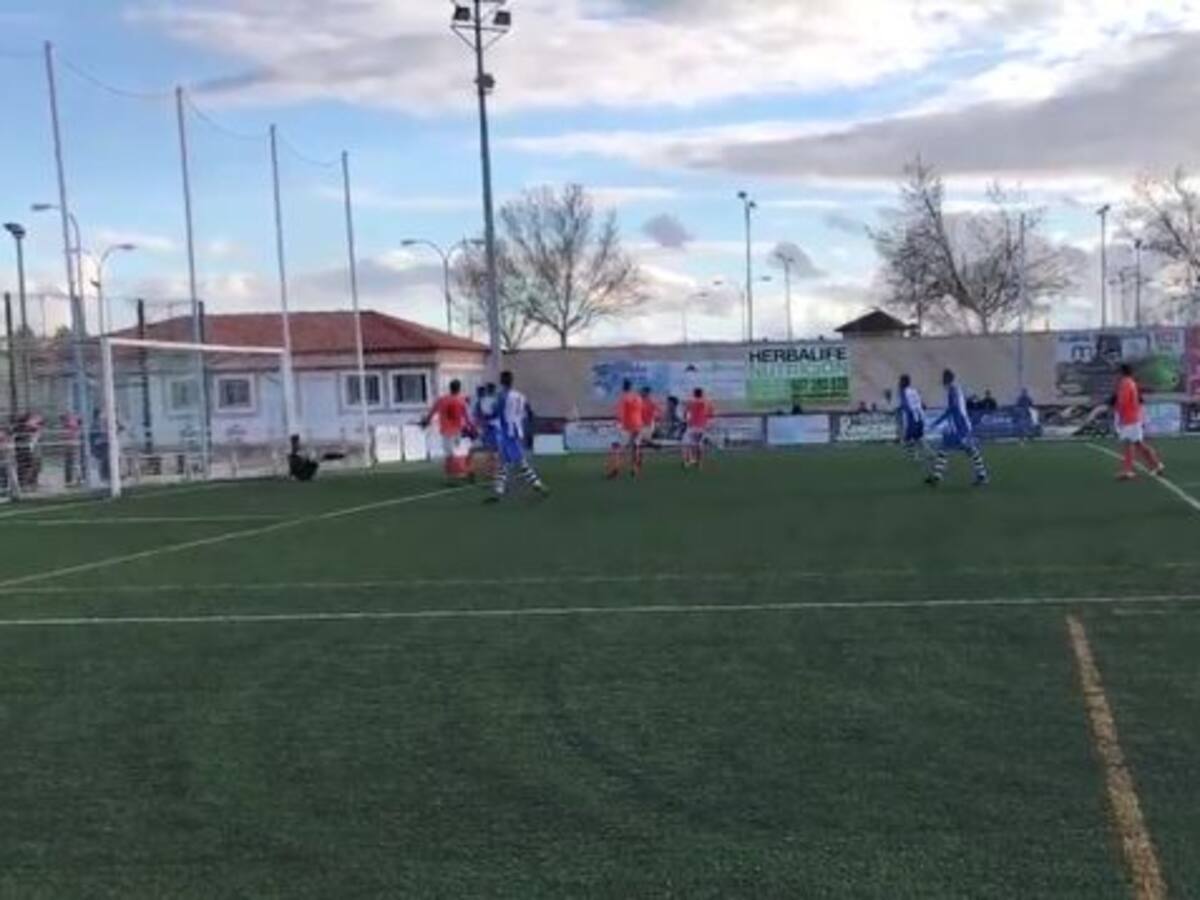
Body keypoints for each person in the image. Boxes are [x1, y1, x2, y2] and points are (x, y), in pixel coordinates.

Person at [487, 370, 548, 503]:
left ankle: (537, 483)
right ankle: (498, 490)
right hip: (518, 431)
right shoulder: (521, 396)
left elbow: (495, 412)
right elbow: (530, 412)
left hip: (507, 433)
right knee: (504, 461)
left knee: (519, 461)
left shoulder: (502, 396)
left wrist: (487, 417)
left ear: (501, 381)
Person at [927, 369, 989, 487]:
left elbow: (953, 408)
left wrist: (937, 422)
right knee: (947, 448)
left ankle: (982, 476)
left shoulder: (953, 390)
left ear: (946, 379)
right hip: (961, 425)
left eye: (943, 378)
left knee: (967, 449)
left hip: (960, 425)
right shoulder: (957, 388)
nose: (942, 381)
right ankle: (937, 476)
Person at [1113, 363, 1164, 480]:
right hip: (1133, 417)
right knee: (1138, 444)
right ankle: (1157, 465)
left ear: (1122, 372)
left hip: (1130, 418)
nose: (1116, 375)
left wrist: (1118, 412)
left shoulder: (1125, 383)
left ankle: (1128, 471)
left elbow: (1123, 401)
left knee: (1129, 443)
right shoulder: (1130, 382)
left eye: (1117, 372)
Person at [421, 379, 471, 483]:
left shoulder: (442, 400)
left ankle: (451, 475)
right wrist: (471, 427)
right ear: (459, 388)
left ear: (450, 388)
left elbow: (432, 411)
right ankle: (458, 474)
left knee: (449, 453)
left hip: (446, 431)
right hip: (457, 431)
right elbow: (467, 417)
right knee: (456, 452)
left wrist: (426, 421)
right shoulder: (462, 400)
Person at [606, 379, 644, 479]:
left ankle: (616, 468)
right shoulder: (638, 397)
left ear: (623, 387)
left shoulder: (624, 397)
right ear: (631, 386)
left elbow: (620, 414)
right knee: (635, 447)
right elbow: (640, 410)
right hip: (638, 425)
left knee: (616, 447)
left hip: (627, 426)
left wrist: (617, 423)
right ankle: (634, 469)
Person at [897, 374, 930, 466]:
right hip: (920, 416)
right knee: (918, 438)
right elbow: (921, 404)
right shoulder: (914, 391)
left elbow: (906, 405)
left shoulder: (903, 392)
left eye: (900, 381)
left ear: (903, 382)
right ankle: (928, 453)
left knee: (907, 439)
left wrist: (900, 409)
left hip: (912, 417)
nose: (899, 383)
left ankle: (916, 456)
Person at [470, 383, 500, 483]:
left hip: (486, 427)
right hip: (490, 427)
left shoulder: (483, 400)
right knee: (491, 450)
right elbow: (494, 413)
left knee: (489, 450)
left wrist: (482, 420)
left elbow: (478, 413)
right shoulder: (492, 400)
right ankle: (490, 472)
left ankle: (488, 471)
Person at [683, 387, 715, 469]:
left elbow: (685, 412)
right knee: (699, 445)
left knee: (687, 444)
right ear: (702, 394)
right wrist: (709, 424)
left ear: (694, 394)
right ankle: (699, 463)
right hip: (702, 426)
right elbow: (711, 414)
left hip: (692, 426)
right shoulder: (707, 402)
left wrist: (686, 420)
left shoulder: (691, 402)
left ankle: (688, 462)